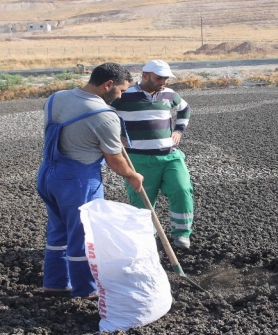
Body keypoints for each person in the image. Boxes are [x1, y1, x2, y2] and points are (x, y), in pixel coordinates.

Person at [36, 62, 144, 298]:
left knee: (58, 232)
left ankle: (54, 284)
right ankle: (86, 290)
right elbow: (115, 160)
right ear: (108, 84)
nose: (120, 95)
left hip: (48, 176)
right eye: (121, 90)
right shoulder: (105, 116)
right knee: (84, 236)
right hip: (78, 181)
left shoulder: (56, 98)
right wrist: (132, 175)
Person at [110, 60, 194, 249]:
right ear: (145, 75)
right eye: (159, 78)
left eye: (165, 78)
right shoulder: (123, 95)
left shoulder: (170, 95)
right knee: (142, 201)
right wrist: (116, 135)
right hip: (138, 158)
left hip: (170, 156)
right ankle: (148, 238)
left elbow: (185, 110)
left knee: (182, 190)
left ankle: (181, 234)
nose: (163, 81)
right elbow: (104, 114)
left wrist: (179, 131)